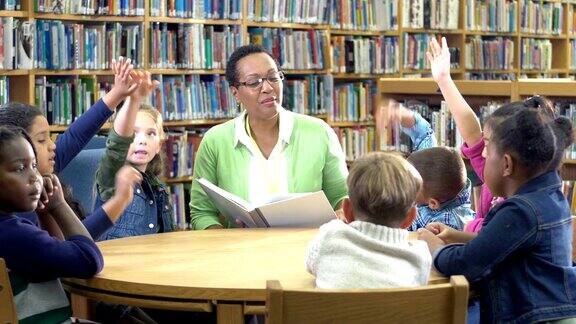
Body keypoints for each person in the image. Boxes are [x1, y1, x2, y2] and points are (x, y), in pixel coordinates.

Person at [418, 107, 576, 323]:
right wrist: (456, 235)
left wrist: (433, 247)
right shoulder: (549, 196)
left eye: (487, 151)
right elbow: (504, 244)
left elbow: (467, 264)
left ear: (507, 164)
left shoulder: (521, 211)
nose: (482, 156)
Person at [190, 44, 348, 229]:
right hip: (241, 252)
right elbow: (202, 212)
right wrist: (223, 241)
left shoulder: (319, 132)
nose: (267, 87)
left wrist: (342, 216)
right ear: (236, 93)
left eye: (273, 77)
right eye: (254, 82)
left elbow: (342, 199)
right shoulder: (215, 141)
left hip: (307, 249)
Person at [0, 57, 141, 240]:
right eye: (42, 140)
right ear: (18, 148)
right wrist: (119, 201)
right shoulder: (19, 202)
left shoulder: (36, 172)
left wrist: (117, 93)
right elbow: (75, 243)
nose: (53, 146)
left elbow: (76, 135)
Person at [0, 126, 103, 323]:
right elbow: (88, 260)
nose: (34, 177)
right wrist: (59, 205)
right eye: (21, 168)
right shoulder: (16, 236)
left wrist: (45, 211)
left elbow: (57, 260)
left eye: (34, 165)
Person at [306, 151, 431, 288]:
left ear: (347, 210)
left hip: (335, 309)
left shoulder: (328, 237)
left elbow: (311, 266)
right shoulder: (420, 257)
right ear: (411, 218)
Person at [95, 71, 174, 240]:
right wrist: (134, 100)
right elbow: (116, 147)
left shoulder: (159, 189)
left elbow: (167, 239)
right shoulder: (111, 177)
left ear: (159, 144)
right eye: (133, 133)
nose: (142, 141)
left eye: (150, 134)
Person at [377, 101, 475, 231]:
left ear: (433, 203)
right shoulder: (431, 166)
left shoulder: (447, 224)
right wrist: (401, 114)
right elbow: (424, 134)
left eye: (409, 186)